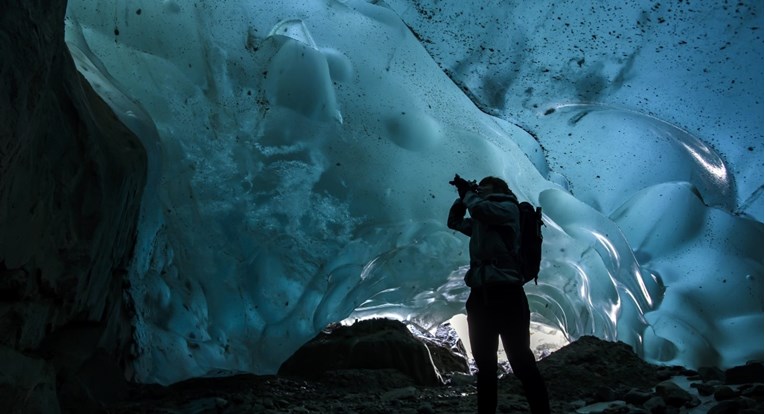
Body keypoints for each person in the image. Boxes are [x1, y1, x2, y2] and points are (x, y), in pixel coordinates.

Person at [447, 174, 550, 414]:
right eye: (478, 187)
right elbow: (454, 222)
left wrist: (469, 194)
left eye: (484, 186)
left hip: (507, 296)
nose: (480, 189)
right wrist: (462, 199)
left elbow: (483, 210)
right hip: (480, 297)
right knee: (485, 365)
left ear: (498, 189)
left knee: (521, 361)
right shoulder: (481, 219)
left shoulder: (508, 209)